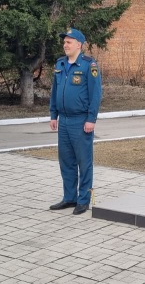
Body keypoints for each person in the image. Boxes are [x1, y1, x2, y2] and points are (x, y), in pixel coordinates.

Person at [48, 28, 102, 215]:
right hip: (64, 121)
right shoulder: (60, 64)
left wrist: (91, 119)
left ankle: (83, 200)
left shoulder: (89, 65)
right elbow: (55, 91)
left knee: (83, 162)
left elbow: (95, 94)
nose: (65, 44)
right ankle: (69, 197)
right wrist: (53, 114)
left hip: (81, 121)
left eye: (69, 42)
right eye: (64, 42)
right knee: (66, 161)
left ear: (79, 45)